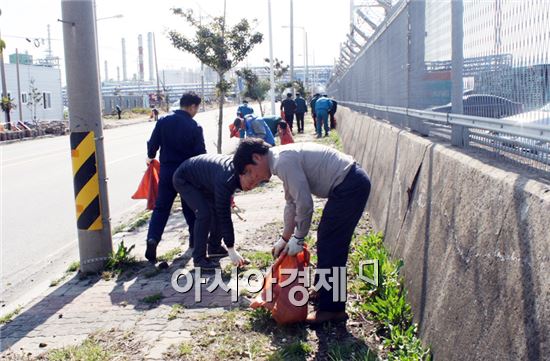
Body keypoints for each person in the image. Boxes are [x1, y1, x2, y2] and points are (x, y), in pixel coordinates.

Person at [233, 139, 371, 324]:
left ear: (257, 157)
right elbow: (292, 203)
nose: (254, 178)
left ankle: (333, 310)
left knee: (332, 246)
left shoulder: (282, 161)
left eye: (250, 171)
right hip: (348, 183)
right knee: (327, 242)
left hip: (350, 185)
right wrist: (285, 238)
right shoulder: (279, 161)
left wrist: (299, 237)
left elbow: (305, 204)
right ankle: (325, 292)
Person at [145, 92, 206, 265]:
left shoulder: (163, 121)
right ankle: (195, 241)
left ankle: (153, 239)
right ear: (192, 106)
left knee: (161, 208)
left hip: (167, 171)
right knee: (191, 208)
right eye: (197, 108)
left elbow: (153, 144)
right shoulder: (195, 126)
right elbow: (201, 154)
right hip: (187, 174)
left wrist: (150, 156)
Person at [173, 154, 246, 270]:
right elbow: (225, 216)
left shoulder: (235, 171)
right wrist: (231, 248)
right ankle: (199, 259)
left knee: (217, 211)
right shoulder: (227, 176)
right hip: (184, 179)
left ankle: (214, 247)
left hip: (203, 180)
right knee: (204, 214)